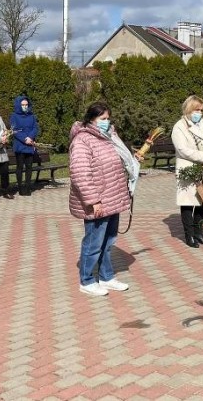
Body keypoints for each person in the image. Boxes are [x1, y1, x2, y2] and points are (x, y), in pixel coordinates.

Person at [69, 102, 141, 297]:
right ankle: (86, 280)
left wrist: (131, 162)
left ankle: (107, 277)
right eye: (102, 119)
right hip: (98, 202)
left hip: (113, 197)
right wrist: (94, 200)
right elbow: (80, 173)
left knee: (108, 241)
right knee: (93, 242)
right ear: (91, 119)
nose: (106, 122)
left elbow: (117, 162)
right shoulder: (83, 140)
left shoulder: (110, 137)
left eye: (108, 118)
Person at [171, 95, 203, 248]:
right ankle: (189, 235)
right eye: (197, 110)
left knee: (202, 201)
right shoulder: (179, 126)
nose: (200, 113)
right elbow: (182, 149)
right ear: (189, 109)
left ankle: (199, 233)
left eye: (201, 110)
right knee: (187, 203)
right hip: (188, 168)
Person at [10, 95, 40, 196]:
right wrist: (24, 139)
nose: (25, 106)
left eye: (26, 105)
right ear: (19, 105)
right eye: (23, 105)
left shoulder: (31, 115)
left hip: (29, 144)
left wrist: (30, 137)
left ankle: (28, 187)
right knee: (20, 167)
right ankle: (20, 188)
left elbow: (35, 128)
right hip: (20, 145)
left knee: (29, 167)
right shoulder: (14, 115)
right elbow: (15, 130)